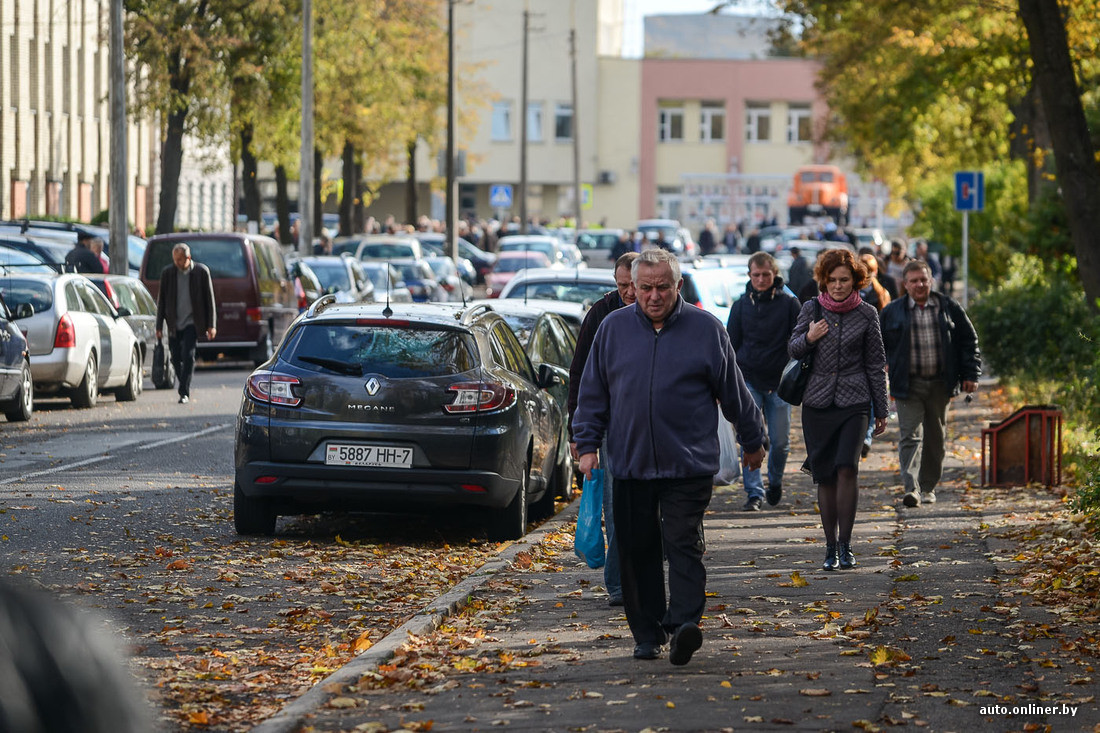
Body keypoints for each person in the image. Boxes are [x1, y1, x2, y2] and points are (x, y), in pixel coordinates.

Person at [573, 248, 766, 665]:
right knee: (636, 548)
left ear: (678, 286)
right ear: (632, 287)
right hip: (630, 460)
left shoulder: (706, 329)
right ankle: (646, 634)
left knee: (682, 542)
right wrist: (586, 444)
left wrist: (754, 441)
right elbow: (592, 393)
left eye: (663, 287)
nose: (653, 296)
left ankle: (682, 626)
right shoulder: (612, 329)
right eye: (645, 288)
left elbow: (734, 391)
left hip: (688, 462)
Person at [788, 248, 889, 571]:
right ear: (823, 280)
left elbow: (876, 365)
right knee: (826, 475)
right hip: (817, 403)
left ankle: (846, 545)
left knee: (848, 467)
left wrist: (881, 409)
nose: (837, 286)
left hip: (855, 402)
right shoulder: (811, 307)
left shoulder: (867, 314)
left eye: (844, 280)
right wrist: (809, 336)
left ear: (856, 281)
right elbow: (792, 347)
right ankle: (829, 548)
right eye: (831, 280)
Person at [567, 251, 640, 607]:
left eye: (632, 285)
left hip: (650, 423)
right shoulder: (601, 314)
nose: (628, 292)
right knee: (615, 505)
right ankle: (618, 584)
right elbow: (580, 375)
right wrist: (577, 434)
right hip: (611, 424)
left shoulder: (659, 308)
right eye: (622, 285)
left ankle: (640, 575)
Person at [880, 260, 980, 508]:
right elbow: (878, 346)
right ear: (905, 284)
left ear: (931, 280)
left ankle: (928, 487)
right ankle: (911, 489)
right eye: (913, 281)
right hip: (907, 384)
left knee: (936, 438)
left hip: (939, 383)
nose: (919, 285)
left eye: (923, 279)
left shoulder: (948, 307)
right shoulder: (892, 311)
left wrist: (971, 374)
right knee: (910, 437)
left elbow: (969, 341)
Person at [726, 252, 801, 511]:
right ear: (749, 276)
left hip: (780, 382)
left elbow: (799, 342)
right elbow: (730, 346)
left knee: (780, 442)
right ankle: (754, 492)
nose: (760, 279)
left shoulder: (790, 304)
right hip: (748, 380)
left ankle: (776, 481)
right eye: (756, 275)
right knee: (751, 437)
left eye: (765, 275)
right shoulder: (740, 306)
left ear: (775, 274)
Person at [156, 243, 217, 405]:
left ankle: (184, 391)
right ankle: (183, 383)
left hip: (192, 322)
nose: (177, 263)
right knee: (175, 357)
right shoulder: (168, 273)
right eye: (175, 259)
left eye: (180, 260)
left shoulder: (201, 272)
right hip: (174, 323)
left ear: (188, 258)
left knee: (188, 355)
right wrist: (158, 326)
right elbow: (161, 301)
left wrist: (211, 325)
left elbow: (209, 301)